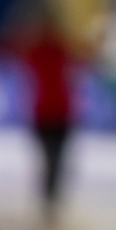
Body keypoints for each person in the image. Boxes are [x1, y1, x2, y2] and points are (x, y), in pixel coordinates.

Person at [22, 21, 77, 218]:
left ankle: (49, 194)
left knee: (50, 158)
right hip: (56, 112)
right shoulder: (62, 52)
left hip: (49, 112)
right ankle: (50, 194)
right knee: (55, 158)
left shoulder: (38, 52)